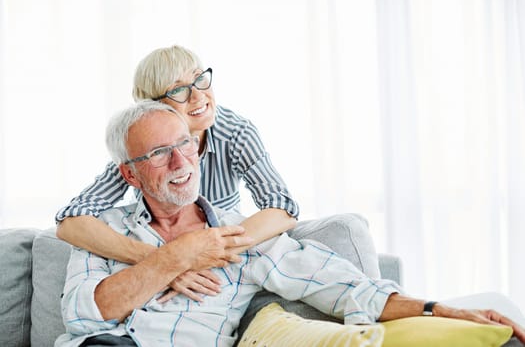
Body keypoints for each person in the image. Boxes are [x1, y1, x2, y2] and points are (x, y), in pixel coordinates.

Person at [56, 101, 525, 347]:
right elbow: (82, 313)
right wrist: (174, 257)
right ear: (129, 173)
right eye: (159, 153)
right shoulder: (106, 231)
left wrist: (442, 309)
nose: (181, 161)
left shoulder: (245, 236)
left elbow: (348, 290)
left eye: (184, 144)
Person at [54, 44, 380, 302]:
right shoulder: (141, 148)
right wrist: (166, 259)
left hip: (217, 268)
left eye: (200, 79)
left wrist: (205, 251)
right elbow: (71, 220)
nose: (199, 96)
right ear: (153, 108)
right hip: (160, 260)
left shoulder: (235, 131)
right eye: (179, 90)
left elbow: (282, 207)